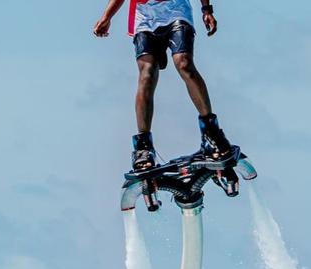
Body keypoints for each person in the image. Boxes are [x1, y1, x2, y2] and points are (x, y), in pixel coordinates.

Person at [93, 0, 234, 171]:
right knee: (147, 74)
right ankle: (143, 147)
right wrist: (107, 17)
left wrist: (206, 10)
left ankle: (212, 133)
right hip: (145, 17)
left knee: (184, 64)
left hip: (176, 10)